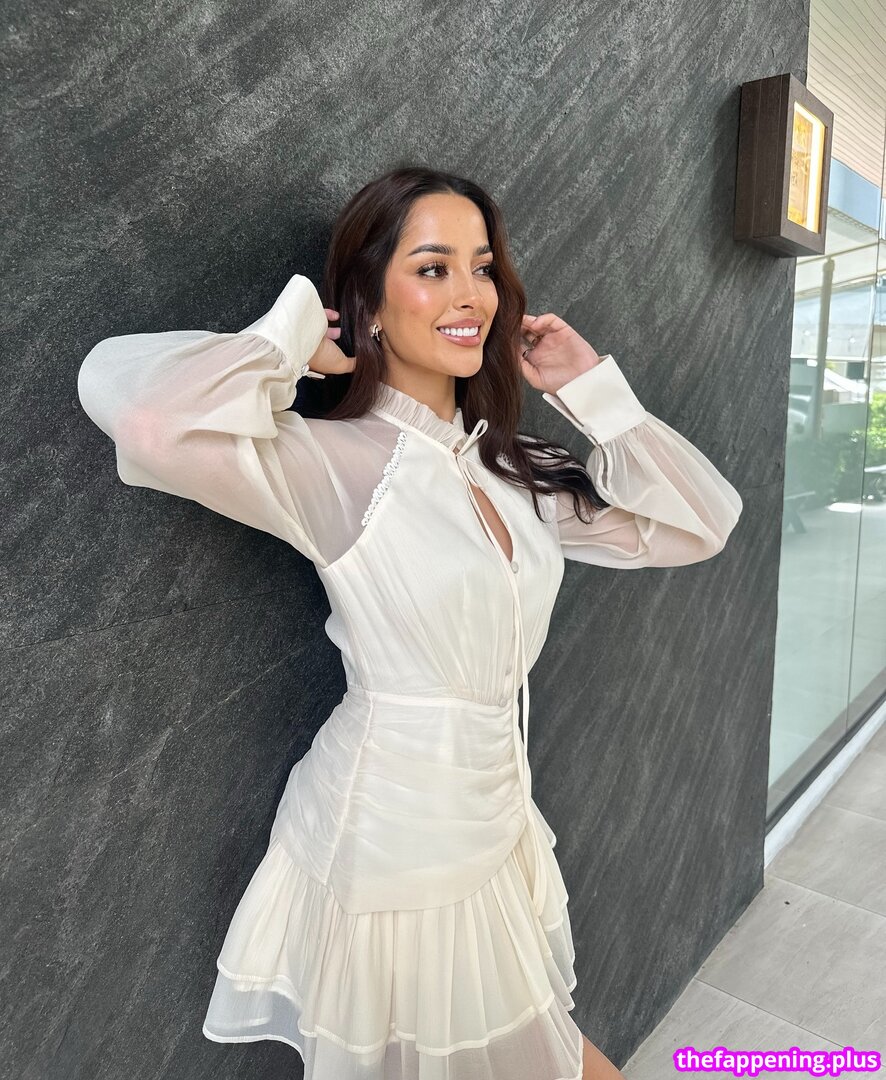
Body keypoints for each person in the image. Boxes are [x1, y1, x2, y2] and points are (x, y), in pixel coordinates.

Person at [77, 165, 743, 1080]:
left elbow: (699, 525)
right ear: (373, 303)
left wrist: (592, 391)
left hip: (495, 819)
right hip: (397, 845)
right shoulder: (335, 464)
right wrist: (294, 341)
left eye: (483, 267)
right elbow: (143, 412)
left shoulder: (511, 467)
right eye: (433, 268)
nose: (472, 294)